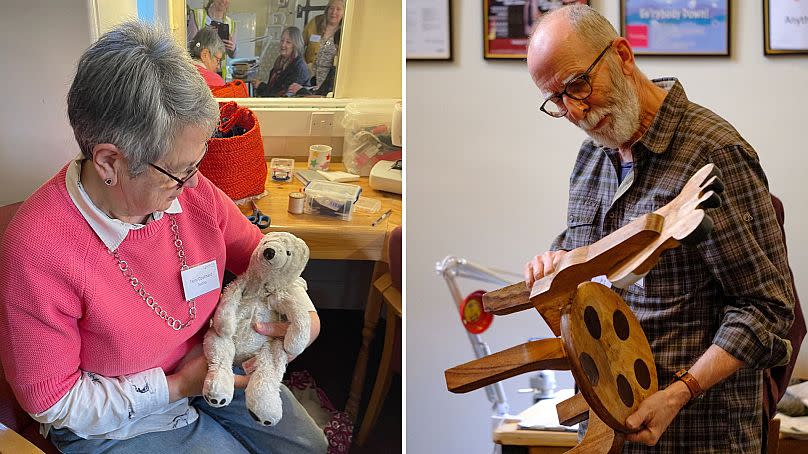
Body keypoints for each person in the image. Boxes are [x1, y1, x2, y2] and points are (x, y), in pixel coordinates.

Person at [0, 21, 327, 454]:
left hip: (210, 365)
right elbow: (52, 401)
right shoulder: (36, 249)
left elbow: (263, 258)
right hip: (115, 418)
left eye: (197, 164)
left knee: (308, 446)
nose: (194, 186)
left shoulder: (191, 192)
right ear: (108, 162)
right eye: (179, 171)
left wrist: (303, 312)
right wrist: (176, 386)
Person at [523, 5, 794, 453]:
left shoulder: (714, 153)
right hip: (609, 425)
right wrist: (555, 261)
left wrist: (678, 393)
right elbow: (582, 250)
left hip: (696, 433)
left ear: (623, 57)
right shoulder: (592, 157)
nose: (574, 110)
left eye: (577, 85)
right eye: (557, 100)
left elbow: (766, 308)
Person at [253, 27, 309, 98]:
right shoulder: (280, 61)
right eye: (282, 40)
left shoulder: (299, 66)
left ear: (296, 45)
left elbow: (283, 95)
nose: (283, 45)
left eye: (288, 42)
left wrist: (260, 86)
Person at [302, 0, 344, 71]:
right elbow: (299, 44)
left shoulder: (345, 30)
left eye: (338, 9)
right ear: (327, 9)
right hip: (308, 73)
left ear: (344, 12)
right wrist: (303, 65)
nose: (334, 12)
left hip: (331, 77)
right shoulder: (316, 22)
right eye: (331, 8)